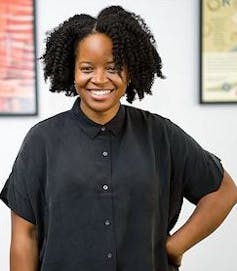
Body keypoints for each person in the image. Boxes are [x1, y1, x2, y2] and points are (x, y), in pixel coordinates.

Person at [1, 5, 237, 271]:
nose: (99, 79)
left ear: (131, 70)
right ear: (72, 71)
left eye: (113, 68)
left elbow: (223, 191)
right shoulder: (41, 141)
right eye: (87, 68)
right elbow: (24, 236)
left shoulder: (160, 135)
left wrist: (176, 245)